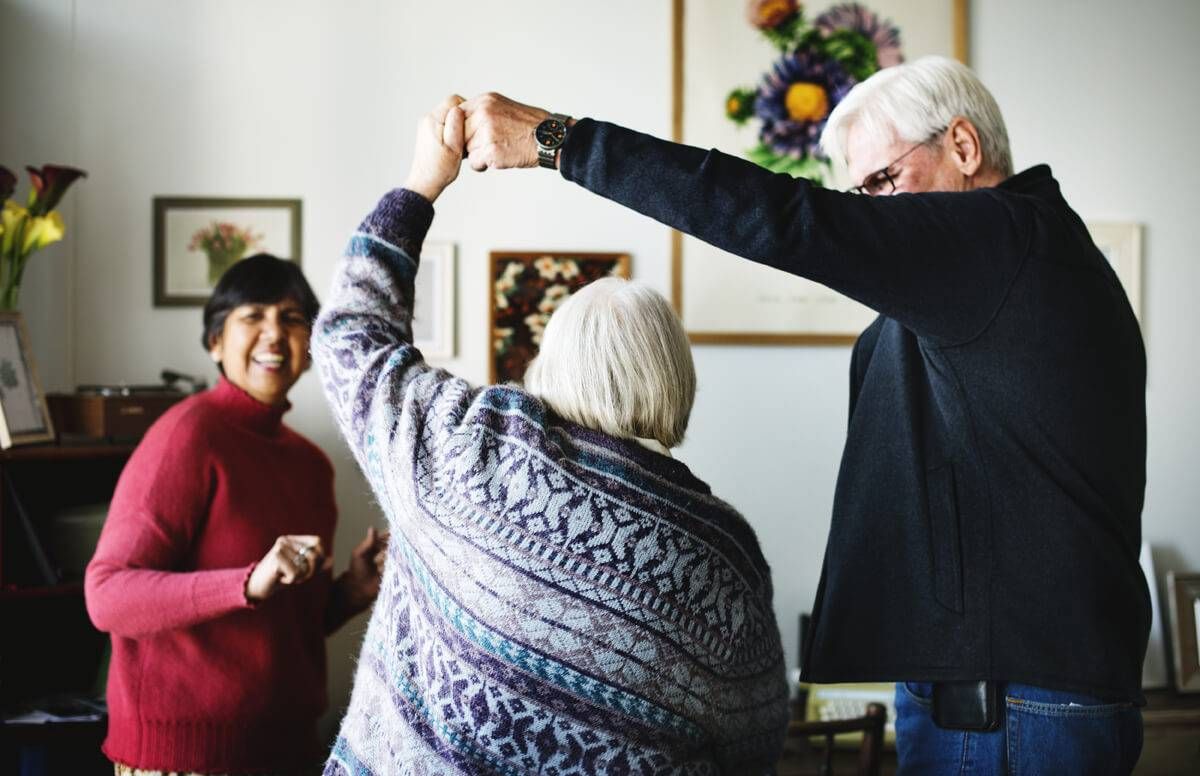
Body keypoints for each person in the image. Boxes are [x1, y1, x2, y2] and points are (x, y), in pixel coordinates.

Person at [459, 55, 1149, 775]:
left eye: (883, 183)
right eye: (861, 193)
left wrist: (557, 139)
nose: (872, 211)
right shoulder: (1020, 263)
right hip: (1006, 688)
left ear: (964, 148)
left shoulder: (1004, 240)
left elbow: (791, 221)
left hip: (1011, 705)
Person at [312, 97, 789, 775]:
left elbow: (349, 337)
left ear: (548, 366)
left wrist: (422, 184)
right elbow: (753, 749)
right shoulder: (722, 556)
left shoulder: (464, 449)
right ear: (676, 385)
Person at [85, 254, 388, 776]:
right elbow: (107, 596)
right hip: (184, 760)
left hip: (288, 751)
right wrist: (246, 582)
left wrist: (351, 592)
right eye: (253, 316)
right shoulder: (187, 435)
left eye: (292, 319)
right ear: (215, 342)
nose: (275, 334)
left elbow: (286, 628)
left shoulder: (310, 464)